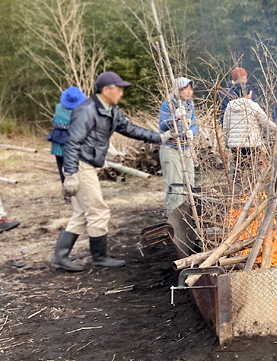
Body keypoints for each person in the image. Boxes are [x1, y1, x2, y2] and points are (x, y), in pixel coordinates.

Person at [51, 71, 173, 272]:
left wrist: (160, 137)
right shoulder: (86, 110)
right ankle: (100, 257)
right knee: (98, 210)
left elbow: (130, 129)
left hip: (88, 164)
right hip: (81, 165)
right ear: (106, 90)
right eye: (119, 89)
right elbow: (72, 143)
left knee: (82, 212)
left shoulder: (111, 110)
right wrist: (71, 174)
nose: (121, 94)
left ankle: (60, 256)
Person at [159, 77, 200, 255]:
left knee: (189, 185)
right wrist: (174, 119)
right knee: (175, 186)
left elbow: (196, 123)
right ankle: (174, 227)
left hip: (186, 149)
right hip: (171, 148)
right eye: (185, 89)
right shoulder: (168, 104)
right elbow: (162, 124)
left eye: (190, 88)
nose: (189, 92)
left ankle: (189, 224)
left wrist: (192, 131)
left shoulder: (190, 104)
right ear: (178, 90)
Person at [223, 84, 276, 184]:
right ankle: (253, 190)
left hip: (235, 145)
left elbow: (226, 126)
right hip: (251, 143)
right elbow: (265, 121)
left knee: (238, 167)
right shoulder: (252, 105)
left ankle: (237, 189)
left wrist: (226, 141)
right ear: (249, 94)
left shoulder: (229, 106)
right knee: (253, 168)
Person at [47, 86, 87, 199]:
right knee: (75, 169)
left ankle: (67, 193)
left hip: (57, 144)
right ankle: (76, 193)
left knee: (62, 168)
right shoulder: (80, 112)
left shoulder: (58, 107)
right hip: (72, 145)